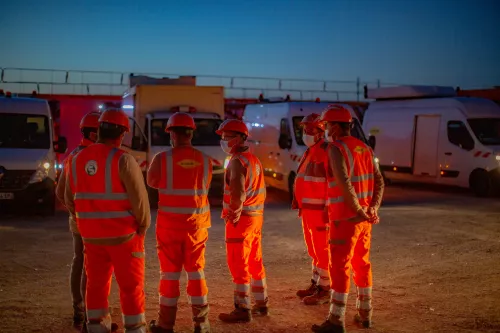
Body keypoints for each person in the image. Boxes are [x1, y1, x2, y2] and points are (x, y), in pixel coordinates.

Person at [64, 109, 151, 333]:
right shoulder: (123, 159)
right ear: (122, 134)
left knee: (96, 284)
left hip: (92, 237)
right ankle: (134, 328)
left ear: (99, 131)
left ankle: (96, 327)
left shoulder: (76, 160)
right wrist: (142, 227)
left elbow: (68, 198)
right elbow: (140, 202)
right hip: (124, 237)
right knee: (131, 287)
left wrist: (84, 221)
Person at [311, 105, 384, 333]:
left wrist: (358, 210)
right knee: (362, 264)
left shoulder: (336, 148)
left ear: (334, 126)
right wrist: (372, 209)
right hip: (363, 220)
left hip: (345, 218)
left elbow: (344, 184)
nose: (325, 130)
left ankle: (335, 320)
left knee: (339, 267)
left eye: (326, 125)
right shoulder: (365, 148)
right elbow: (379, 182)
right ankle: (365, 315)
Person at [147, 112, 212, 333]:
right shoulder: (205, 159)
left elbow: (152, 182)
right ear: (191, 133)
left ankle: (166, 324)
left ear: (172, 134)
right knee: (196, 272)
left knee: (169, 275)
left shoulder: (161, 159)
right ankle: (201, 324)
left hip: (169, 227)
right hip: (197, 225)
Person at [216, 119, 268, 323]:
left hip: (241, 220)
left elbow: (237, 192)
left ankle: (242, 308)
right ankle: (261, 302)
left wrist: (233, 213)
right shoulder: (253, 160)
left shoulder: (237, 161)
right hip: (255, 218)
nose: (223, 141)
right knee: (255, 261)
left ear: (238, 138)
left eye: (226, 137)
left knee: (238, 263)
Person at [56, 111, 99, 328]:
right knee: (91, 266)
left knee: (79, 261)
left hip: (80, 221)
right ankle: (91, 313)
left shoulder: (72, 156)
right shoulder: (102, 156)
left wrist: (75, 212)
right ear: (93, 132)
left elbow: (60, 192)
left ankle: (79, 310)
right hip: (97, 223)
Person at [292, 113, 331, 305]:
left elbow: (333, 183)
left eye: (310, 130)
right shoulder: (310, 151)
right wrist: (298, 201)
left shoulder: (325, 151)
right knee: (314, 249)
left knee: (322, 249)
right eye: (305, 129)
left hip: (320, 211)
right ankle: (316, 283)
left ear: (321, 132)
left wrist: (328, 208)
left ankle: (325, 288)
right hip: (308, 210)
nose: (306, 133)